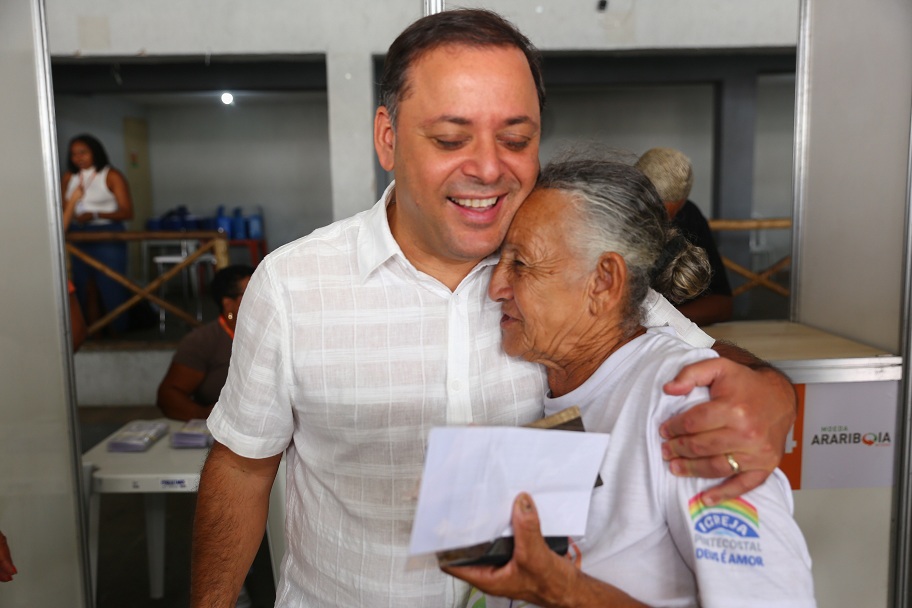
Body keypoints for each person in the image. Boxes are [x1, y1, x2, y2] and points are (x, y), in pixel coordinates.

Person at [191, 9, 797, 607]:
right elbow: (243, 466)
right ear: (388, 138)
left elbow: (682, 352)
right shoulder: (295, 284)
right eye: (451, 139)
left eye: (515, 139)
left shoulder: (565, 271)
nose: (487, 168)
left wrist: (772, 392)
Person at [446, 157, 814, 607]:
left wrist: (564, 592)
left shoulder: (687, 411)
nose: (496, 287)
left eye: (521, 264)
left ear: (604, 282)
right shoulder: (559, 387)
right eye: (497, 261)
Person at [636, 147, 733, 325]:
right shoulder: (610, 221)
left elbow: (722, 303)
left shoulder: (689, 216)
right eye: (649, 212)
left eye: (667, 216)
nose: (658, 223)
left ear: (682, 204)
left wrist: (665, 321)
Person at [156, 265, 254, 421]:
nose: (264, 300)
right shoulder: (203, 341)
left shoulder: (278, 333)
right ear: (228, 304)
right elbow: (169, 395)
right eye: (253, 294)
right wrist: (206, 416)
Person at [62, 133, 134, 335]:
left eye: (83, 152)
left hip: (106, 233)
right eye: (74, 154)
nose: (78, 158)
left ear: (95, 152)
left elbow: (127, 211)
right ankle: (91, 334)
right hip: (77, 234)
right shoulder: (69, 177)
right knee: (83, 286)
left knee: (111, 285)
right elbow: (63, 209)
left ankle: (119, 333)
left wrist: (95, 214)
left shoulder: (111, 175)